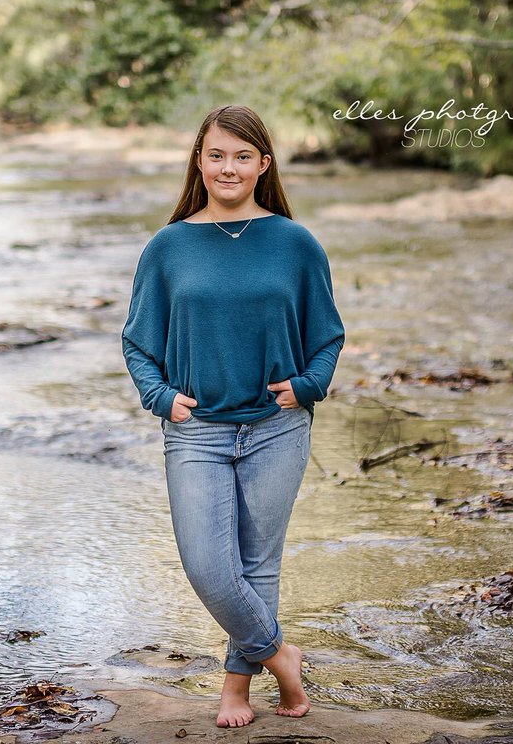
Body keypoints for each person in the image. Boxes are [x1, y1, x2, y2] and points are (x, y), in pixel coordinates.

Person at [120, 104, 345, 728]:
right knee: (207, 565)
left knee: (256, 563)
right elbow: (138, 342)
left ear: (263, 165)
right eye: (217, 155)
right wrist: (161, 398)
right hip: (196, 431)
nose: (228, 166)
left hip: (277, 427)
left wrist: (309, 386)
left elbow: (327, 335)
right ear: (199, 162)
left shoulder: (295, 243)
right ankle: (281, 655)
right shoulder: (168, 247)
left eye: (242, 156)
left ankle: (235, 691)